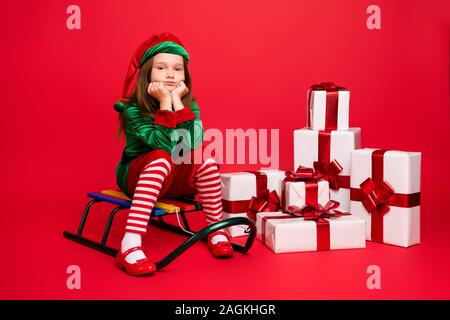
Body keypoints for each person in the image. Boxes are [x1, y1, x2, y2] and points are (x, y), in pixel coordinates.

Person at [113, 33, 233, 276]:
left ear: (185, 76)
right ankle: (130, 243)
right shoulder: (132, 109)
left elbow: (193, 143)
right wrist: (165, 105)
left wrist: (179, 104)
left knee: (204, 158)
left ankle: (215, 228)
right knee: (161, 156)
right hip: (138, 177)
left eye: (177, 69)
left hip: (172, 180)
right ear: (147, 72)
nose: (170, 74)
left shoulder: (189, 105)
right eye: (161, 67)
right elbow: (164, 144)